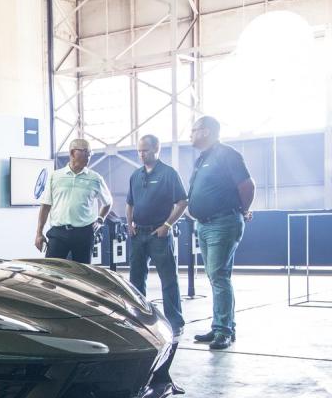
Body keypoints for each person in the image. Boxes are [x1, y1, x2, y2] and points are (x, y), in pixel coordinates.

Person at [187, 115, 255, 350]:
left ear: (206, 131)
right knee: (216, 276)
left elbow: (247, 185)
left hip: (222, 222)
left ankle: (223, 331)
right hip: (204, 225)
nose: (191, 134)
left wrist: (243, 210)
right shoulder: (202, 159)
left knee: (219, 276)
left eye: (194, 130)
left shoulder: (228, 154)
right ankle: (221, 326)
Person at [127, 134, 188, 337]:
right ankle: (139, 318)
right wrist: (129, 224)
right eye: (139, 151)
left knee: (168, 278)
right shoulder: (136, 175)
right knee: (136, 279)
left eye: (145, 150)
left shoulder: (169, 173)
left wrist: (167, 225)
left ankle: (175, 321)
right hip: (138, 234)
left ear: (156, 149)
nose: (141, 154)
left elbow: (182, 202)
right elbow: (130, 203)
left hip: (159, 235)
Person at [34, 138, 112, 263]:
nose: (89, 156)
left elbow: (108, 202)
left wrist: (100, 219)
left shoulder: (95, 178)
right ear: (72, 153)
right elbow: (45, 206)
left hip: (84, 234)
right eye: (85, 152)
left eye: (90, 153)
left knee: (82, 275)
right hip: (58, 233)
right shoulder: (55, 176)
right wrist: (39, 233)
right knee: (52, 271)